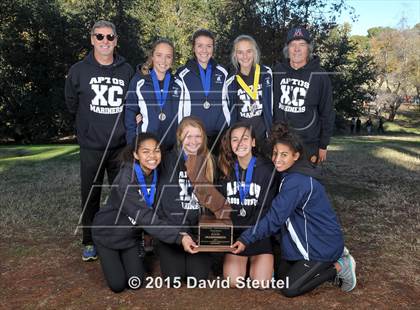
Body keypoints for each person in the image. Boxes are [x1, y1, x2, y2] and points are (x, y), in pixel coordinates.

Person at [231, 123, 357, 297]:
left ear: (296, 156)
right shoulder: (289, 173)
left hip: (321, 245)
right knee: (282, 277)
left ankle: (340, 266)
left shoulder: (297, 181)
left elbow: (275, 218)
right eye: (275, 154)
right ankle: (321, 264)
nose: (277, 159)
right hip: (307, 242)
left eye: (284, 155)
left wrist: (246, 238)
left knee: (290, 288)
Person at [91, 133, 196, 293]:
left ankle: (131, 254)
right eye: (146, 151)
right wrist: (179, 237)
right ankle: (108, 254)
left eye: (156, 151)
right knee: (118, 285)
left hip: (130, 238)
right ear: (135, 154)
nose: (152, 156)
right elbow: (146, 218)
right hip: (107, 234)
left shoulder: (156, 172)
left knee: (136, 282)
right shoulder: (125, 179)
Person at [65, 20, 134, 261]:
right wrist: (86, 129)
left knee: (122, 194)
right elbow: (71, 104)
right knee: (90, 194)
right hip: (92, 146)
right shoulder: (78, 71)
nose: (105, 41)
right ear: (92, 39)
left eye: (110, 37)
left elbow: (133, 105)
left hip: (119, 146)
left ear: (116, 41)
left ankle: (121, 238)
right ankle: (88, 241)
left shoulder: (127, 70)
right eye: (100, 36)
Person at [154, 116, 215, 282]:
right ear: (180, 137)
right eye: (188, 136)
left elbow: (214, 203)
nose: (193, 141)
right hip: (174, 230)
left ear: (203, 138)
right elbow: (166, 202)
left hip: (197, 230)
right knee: (174, 278)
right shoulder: (167, 160)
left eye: (198, 136)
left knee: (198, 278)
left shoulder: (209, 161)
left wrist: (203, 232)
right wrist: (180, 235)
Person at [218, 122, 277, 287]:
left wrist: (250, 237)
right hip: (235, 238)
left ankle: (266, 265)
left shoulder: (267, 169)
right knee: (233, 282)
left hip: (259, 235)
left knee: (260, 283)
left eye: (244, 139)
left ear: (253, 142)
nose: (239, 143)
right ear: (230, 144)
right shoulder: (224, 169)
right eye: (235, 139)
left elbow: (267, 212)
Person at [273, 26, 334, 164]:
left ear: (308, 49)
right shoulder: (277, 72)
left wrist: (323, 144)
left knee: (306, 182)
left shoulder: (320, 75)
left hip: (308, 143)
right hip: (281, 141)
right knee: (281, 182)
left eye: (302, 44)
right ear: (287, 49)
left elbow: (327, 112)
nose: (297, 49)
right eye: (293, 45)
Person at [174, 29, 230, 152]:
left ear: (213, 48)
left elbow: (231, 101)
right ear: (193, 48)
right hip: (194, 138)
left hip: (221, 136)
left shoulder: (223, 72)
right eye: (200, 46)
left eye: (209, 46)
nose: (204, 50)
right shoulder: (182, 74)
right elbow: (170, 101)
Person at [125, 38, 178, 151]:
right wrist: (132, 145)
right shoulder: (139, 81)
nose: (163, 61)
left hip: (171, 148)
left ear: (172, 60)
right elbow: (130, 112)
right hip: (146, 148)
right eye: (159, 55)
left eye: (168, 56)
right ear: (152, 56)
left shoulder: (178, 83)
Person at [226, 35, 273, 153]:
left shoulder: (266, 73)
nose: (245, 56)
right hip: (243, 140)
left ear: (254, 52)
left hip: (264, 137)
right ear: (235, 55)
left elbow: (272, 104)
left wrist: (271, 132)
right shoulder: (230, 80)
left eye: (248, 51)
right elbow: (230, 112)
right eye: (240, 52)